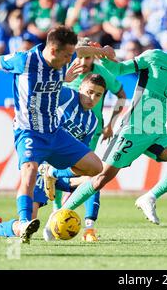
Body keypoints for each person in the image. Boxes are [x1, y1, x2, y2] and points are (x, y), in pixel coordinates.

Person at [0, 25, 110, 243]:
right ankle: (18, 223)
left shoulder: (65, 56)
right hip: (29, 132)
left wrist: (103, 52)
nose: (70, 60)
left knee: (96, 167)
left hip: (55, 132)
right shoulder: (23, 61)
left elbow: (83, 51)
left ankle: (52, 175)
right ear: (53, 51)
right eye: (67, 56)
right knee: (29, 171)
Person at [46, 39, 167, 227]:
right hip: (132, 131)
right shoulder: (155, 57)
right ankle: (59, 215)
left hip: (157, 134)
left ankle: (149, 197)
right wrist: (103, 56)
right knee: (100, 179)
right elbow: (120, 70)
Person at [0, 74, 105, 241]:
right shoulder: (67, 96)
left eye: (98, 95)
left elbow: (81, 157)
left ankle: (89, 229)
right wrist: (61, 80)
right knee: (27, 225)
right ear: (80, 88)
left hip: (58, 171)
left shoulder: (92, 122)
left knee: (95, 178)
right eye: (89, 92)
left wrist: (57, 173)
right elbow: (43, 91)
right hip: (41, 160)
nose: (92, 98)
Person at [41, 37, 127, 241]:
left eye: (88, 57)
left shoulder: (101, 73)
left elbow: (122, 95)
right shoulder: (69, 68)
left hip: (90, 129)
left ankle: (89, 227)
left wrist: (111, 123)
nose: (83, 61)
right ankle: (57, 213)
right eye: (80, 56)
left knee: (93, 174)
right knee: (63, 174)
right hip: (63, 128)